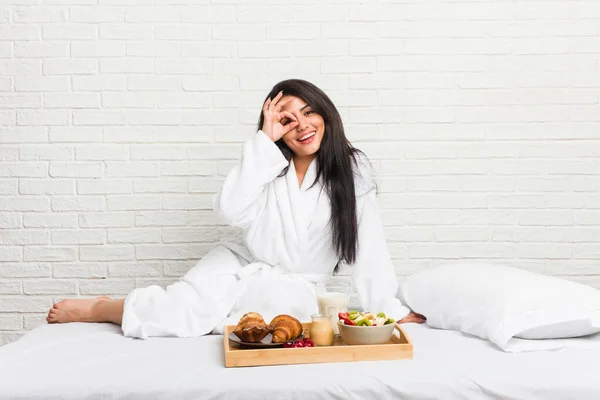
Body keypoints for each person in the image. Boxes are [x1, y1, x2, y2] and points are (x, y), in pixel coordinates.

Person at [46, 79, 426, 338]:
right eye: (287, 120)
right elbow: (231, 211)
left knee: (262, 324)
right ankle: (102, 308)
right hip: (238, 261)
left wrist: (386, 308)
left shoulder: (351, 168)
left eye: (310, 113)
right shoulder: (266, 163)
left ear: (326, 113)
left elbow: (369, 244)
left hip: (294, 287)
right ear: (275, 127)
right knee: (181, 311)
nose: (302, 126)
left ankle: (127, 308)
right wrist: (263, 141)